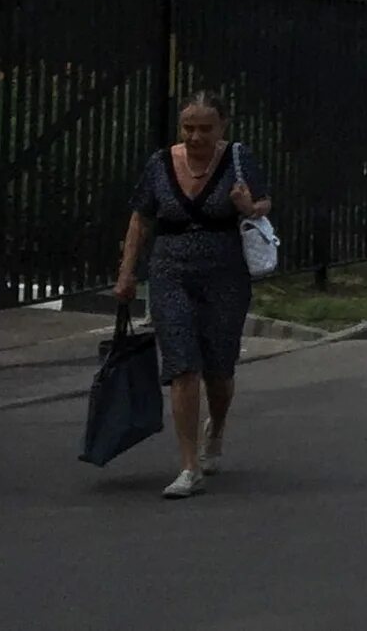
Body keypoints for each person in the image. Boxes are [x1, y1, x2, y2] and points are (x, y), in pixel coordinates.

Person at [115, 92, 272, 498]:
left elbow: (263, 202)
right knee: (182, 365)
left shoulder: (238, 158)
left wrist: (247, 206)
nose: (196, 136)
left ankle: (215, 428)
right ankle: (188, 466)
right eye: (189, 127)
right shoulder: (160, 163)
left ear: (222, 126)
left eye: (205, 128)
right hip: (169, 271)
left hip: (225, 274)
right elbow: (140, 218)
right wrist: (127, 273)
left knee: (219, 369)